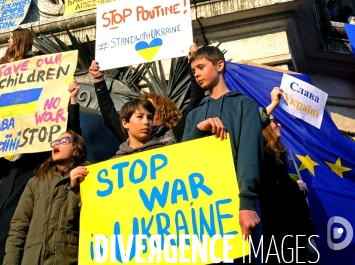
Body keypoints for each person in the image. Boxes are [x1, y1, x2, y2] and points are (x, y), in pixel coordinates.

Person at [0, 82, 82, 265]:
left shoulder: (45, 175)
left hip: (7, 246)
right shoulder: (13, 168)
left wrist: (72, 101)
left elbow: (72, 139)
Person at [182, 46, 263, 243]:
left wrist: (246, 204)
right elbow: (182, 161)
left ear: (219, 65)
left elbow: (248, 156)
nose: (197, 74)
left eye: (201, 67)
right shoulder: (193, 115)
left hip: (238, 205)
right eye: (193, 71)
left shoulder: (245, 105)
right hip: (202, 210)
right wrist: (199, 129)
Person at [88, 43, 205, 144]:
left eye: (151, 111)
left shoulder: (176, 133)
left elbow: (196, 100)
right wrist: (98, 80)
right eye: (140, 113)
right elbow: (109, 114)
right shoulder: (130, 137)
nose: (146, 116)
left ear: (164, 113)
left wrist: (193, 63)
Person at [3, 129, 88, 265]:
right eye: (55, 142)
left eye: (64, 141)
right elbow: (18, 228)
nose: (57, 144)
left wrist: (74, 189)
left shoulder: (87, 178)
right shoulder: (36, 182)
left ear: (76, 151)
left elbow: (94, 220)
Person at [260, 114, 316, 264]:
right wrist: (295, 186)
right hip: (278, 233)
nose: (279, 125)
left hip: (291, 233)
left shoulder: (279, 154)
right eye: (273, 122)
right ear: (263, 127)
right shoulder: (264, 155)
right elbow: (267, 192)